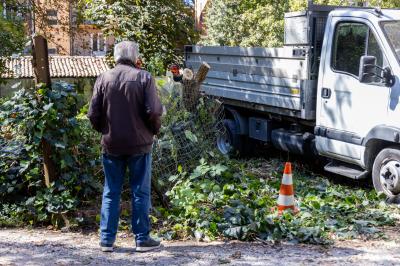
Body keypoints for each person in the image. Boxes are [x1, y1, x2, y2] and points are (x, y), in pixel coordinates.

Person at [88, 41, 163, 252]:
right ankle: (141, 239)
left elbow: (93, 114)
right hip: (140, 145)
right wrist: (153, 131)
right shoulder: (144, 77)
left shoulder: (104, 77)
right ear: (135, 57)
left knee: (111, 191)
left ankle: (106, 240)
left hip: (111, 145)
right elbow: (155, 111)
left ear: (115, 57)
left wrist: (105, 131)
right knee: (140, 192)